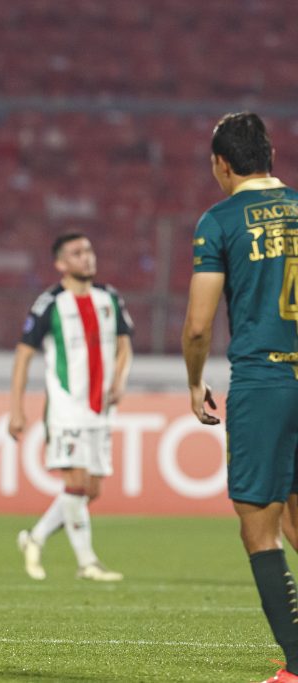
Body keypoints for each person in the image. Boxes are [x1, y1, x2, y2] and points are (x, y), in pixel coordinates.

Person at [182, 112, 298, 683]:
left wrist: (194, 381)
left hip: (266, 380)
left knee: (260, 527)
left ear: (222, 165)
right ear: (270, 158)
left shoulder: (220, 220)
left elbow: (200, 326)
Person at [9, 233, 133, 582]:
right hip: (66, 407)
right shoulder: (49, 303)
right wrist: (16, 407)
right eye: (77, 253)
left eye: (89, 250)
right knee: (75, 482)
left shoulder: (109, 298)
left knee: (89, 490)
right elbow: (23, 355)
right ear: (61, 264)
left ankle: (35, 538)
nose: (87, 257)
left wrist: (120, 379)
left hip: (100, 409)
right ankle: (87, 562)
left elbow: (124, 344)